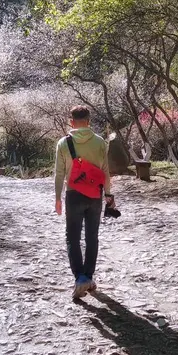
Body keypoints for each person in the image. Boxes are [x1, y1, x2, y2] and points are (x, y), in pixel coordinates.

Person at [54, 105, 115, 299]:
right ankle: (88, 276)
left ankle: (80, 277)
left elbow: (59, 173)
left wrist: (57, 197)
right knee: (92, 237)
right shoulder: (99, 142)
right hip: (95, 195)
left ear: (71, 122)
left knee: (72, 237)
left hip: (73, 194)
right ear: (89, 121)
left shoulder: (63, 143)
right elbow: (105, 170)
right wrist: (108, 194)